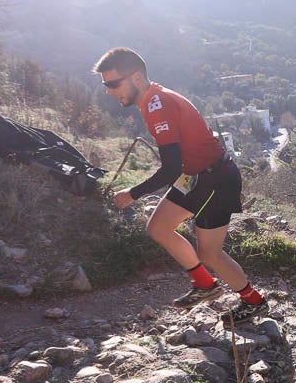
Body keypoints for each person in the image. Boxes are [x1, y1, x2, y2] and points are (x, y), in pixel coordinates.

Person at [93, 48, 267, 322]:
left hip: (215, 179)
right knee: (159, 228)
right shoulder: (153, 100)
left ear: (136, 78)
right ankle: (205, 284)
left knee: (209, 253)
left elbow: (170, 169)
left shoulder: (158, 105)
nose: (109, 91)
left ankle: (253, 301)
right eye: (105, 85)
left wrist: (133, 194)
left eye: (113, 84)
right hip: (195, 176)